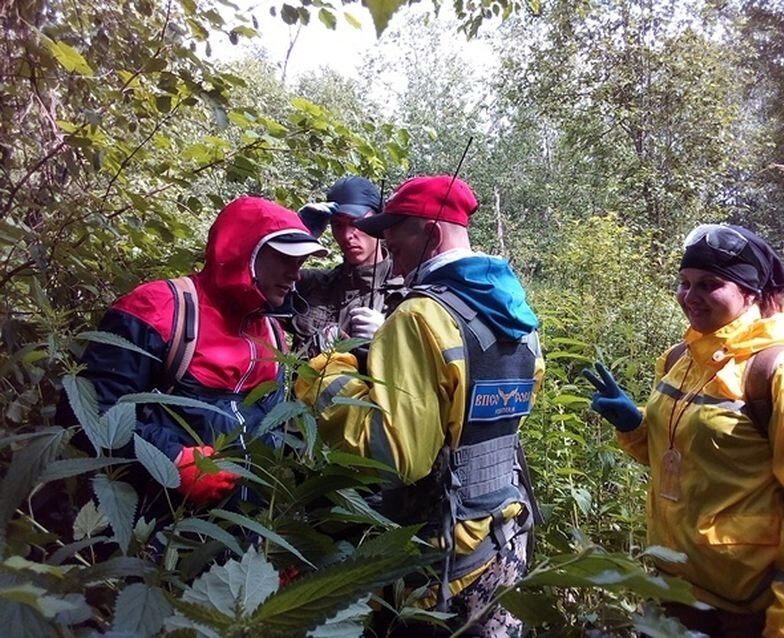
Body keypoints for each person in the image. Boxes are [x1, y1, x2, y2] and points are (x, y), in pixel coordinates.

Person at [295, 175, 545, 636]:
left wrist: (325, 374)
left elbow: (396, 456)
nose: (386, 242)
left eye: (396, 232)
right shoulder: (518, 313)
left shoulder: (419, 314)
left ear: (430, 234)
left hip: (439, 556)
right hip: (504, 534)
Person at [583, 223, 784, 637]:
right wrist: (637, 426)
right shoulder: (679, 358)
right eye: (685, 283)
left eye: (710, 284)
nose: (691, 297)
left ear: (751, 293)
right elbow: (691, 464)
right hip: (676, 591)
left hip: (748, 610)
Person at [60, 196, 328, 506]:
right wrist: (171, 460)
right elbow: (87, 414)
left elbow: (272, 429)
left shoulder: (273, 333)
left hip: (243, 534)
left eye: (300, 263)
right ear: (244, 251)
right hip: (155, 525)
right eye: (285, 258)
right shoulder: (159, 309)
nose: (295, 274)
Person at [288, 176, 403, 358]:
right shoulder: (312, 285)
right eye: (337, 225)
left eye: (356, 222)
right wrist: (296, 236)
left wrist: (390, 337)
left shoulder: (407, 291)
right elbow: (248, 283)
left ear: (378, 222)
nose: (346, 235)